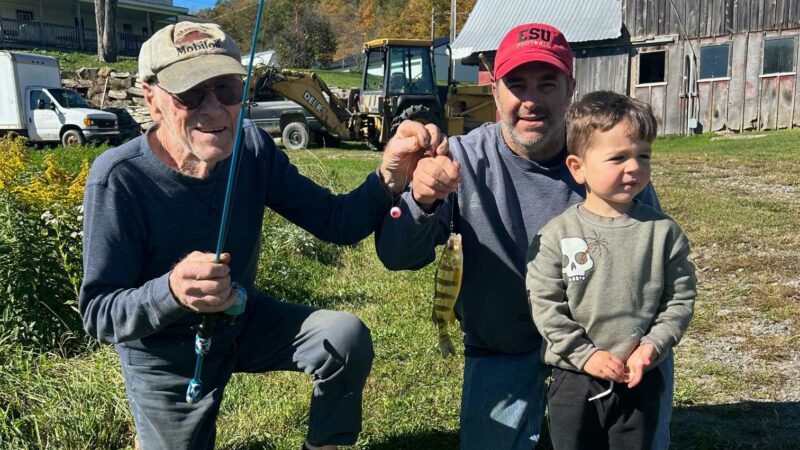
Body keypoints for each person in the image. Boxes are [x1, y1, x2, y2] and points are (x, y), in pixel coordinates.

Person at [78, 22, 443, 450]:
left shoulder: (251, 146)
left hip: (241, 319)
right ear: (151, 99)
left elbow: (336, 221)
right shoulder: (118, 178)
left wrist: (389, 173)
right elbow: (100, 314)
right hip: (165, 357)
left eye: (227, 89)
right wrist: (172, 291)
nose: (213, 108)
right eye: (190, 93)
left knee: (343, 338)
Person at [377, 23, 675, 449]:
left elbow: (659, 270)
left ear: (570, 88)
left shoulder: (610, 161)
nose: (531, 100)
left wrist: (646, 343)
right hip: (503, 342)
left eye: (547, 84)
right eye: (517, 84)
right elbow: (396, 255)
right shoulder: (458, 162)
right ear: (495, 91)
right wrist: (421, 201)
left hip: (602, 343)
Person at [525, 90, 696, 449]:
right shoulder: (556, 235)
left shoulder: (663, 233)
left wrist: (653, 346)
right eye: (618, 157)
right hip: (575, 377)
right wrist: (585, 355)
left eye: (643, 155)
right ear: (577, 167)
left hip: (640, 376)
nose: (634, 167)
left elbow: (679, 298)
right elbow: (544, 304)